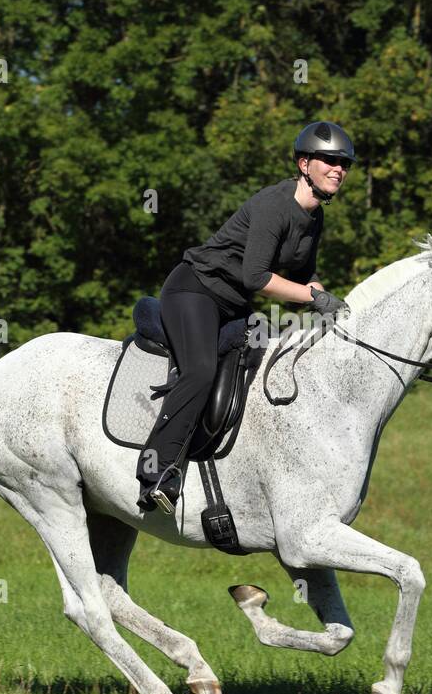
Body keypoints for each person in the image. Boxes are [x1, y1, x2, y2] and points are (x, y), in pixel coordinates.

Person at [135, 121, 356, 513]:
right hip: (195, 290)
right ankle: (158, 472)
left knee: (261, 359)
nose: (339, 169)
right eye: (330, 161)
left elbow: (305, 277)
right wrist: (311, 298)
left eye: (344, 164)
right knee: (200, 371)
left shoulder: (314, 217)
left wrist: (333, 305)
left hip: (234, 307)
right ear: (305, 164)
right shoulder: (275, 205)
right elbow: (257, 277)